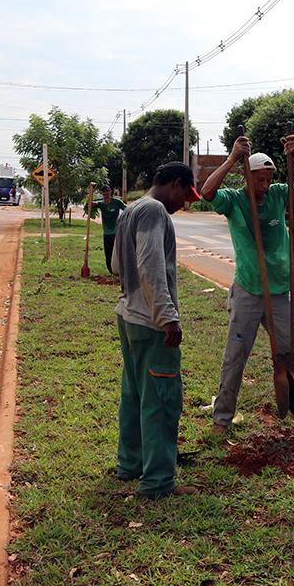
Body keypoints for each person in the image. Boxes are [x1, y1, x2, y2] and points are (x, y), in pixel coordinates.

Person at [199, 131, 294, 435]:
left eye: (268, 179)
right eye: (259, 180)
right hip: (248, 291)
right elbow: (206, 193)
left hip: (280, 292)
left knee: (293, 357)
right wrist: (230, 159)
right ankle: (221, 420)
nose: (265, 185)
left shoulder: (280, 193)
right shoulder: (234, 200)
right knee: (235, 358)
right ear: (247, 177)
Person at [111, 161, 202, 498]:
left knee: (135, 394)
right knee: (162, 401)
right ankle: (159, 482)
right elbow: (151, 266)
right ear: (175, 184)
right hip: (151, 322)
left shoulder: (130, 210)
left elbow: (116, 265)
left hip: (128, 315)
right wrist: (168, 317)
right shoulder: (154, 212)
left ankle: (130, 464)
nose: (185, 203)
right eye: (185, 195)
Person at [89, 183, 127, 273]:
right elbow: (90, 204)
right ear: (102, 194)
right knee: (108, 253)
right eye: (104, 193)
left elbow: (127, 209)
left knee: (118, 253)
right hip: (106, 233)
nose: (106, 195)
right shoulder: (101, 204)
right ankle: (111, 271)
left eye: (107, 192)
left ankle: (120, 270)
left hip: (116, 232)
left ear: (110, 192)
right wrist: (92, 191)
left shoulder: (117, 202)